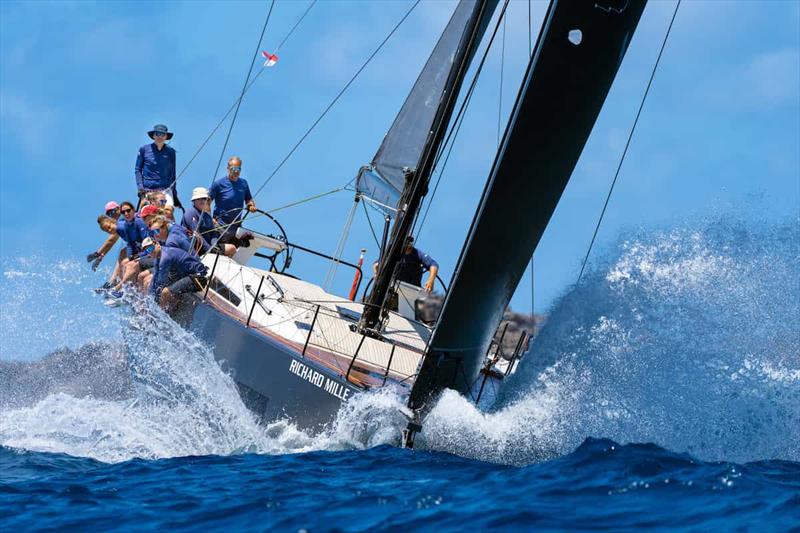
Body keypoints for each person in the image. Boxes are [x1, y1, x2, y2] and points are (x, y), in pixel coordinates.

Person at [142, 237, 209, 311]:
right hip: (184, 275)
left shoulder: (165, 257)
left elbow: (161, 281)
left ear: (157, 244)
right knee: (150, 282)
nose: (150, 252)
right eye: (147, 251)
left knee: (165, 292)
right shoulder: (159, 257)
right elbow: (155, 278)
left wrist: (152, 300)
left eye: (151, 248)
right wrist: (148, 299)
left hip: (198, 277)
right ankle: (154, 309)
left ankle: (159, 315)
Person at [208, 156, 256, 244]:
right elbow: (206, 202)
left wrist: (251, 205)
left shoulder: (243, 183)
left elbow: (249, 199)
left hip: (236, 227)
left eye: (239, 168)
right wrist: (210, 219)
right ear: (228, 169)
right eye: (233, 168)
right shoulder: (218, 184)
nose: (236, 171)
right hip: (220, 226)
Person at [135, 124, 182, 209]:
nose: (160, 136)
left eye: (162, 134)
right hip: (148, 190)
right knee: (147, 214)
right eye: (157, 134)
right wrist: (140, 188)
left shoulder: (171, 152)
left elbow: (172, 173)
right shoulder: (144, 149)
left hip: (165, 190)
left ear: (166, 136)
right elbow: (138, 169)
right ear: (153, 135)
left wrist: (174, 195)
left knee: (168, 212)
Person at [181, 187, 236, 257]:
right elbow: (196, 234)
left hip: (210, 247)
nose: (202, 201)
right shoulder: (190, 213)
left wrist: (214, 246)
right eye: (198, 199)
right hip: (195, 249)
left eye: (204, 198)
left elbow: (213, 233)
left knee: (232, 248)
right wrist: (209, 249)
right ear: (194, 201)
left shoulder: (207, 216)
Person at [374, 236, 439, 292]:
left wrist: (431, 281)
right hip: (392, 287)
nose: (409, 242)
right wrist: (377, 275)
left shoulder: (417, 253)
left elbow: (434, 265)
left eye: (411, 240)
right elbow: (376, 264)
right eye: (407, 239)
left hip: (412, 289)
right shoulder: (393, 252)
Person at [111, 201, 149, 295]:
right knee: (124, 262)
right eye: (123, 212)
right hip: (141, 253)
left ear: (133, 210)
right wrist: (131, 257)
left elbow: (147, 242)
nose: (126, 214)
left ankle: (119, 289)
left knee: (131, 265)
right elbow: (130, 245)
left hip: (150, 251)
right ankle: (129, 293)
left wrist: (138, 256)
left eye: (128, 210)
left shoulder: (139, 222)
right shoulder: (127, 225)